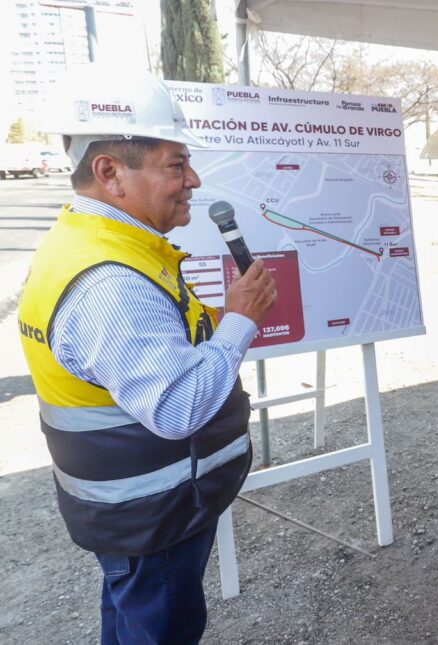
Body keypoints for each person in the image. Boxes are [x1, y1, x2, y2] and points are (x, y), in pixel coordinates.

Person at [17, 66, 277, 644]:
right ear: (110, 172)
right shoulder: (110, 280)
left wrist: (217, 321)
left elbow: (155, 351)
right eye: (176, 165)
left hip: (135, 511)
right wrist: (240, 320)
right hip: (152, 515)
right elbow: (178, 407)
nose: (194, 180)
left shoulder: (93, 244)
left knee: (131, 619)